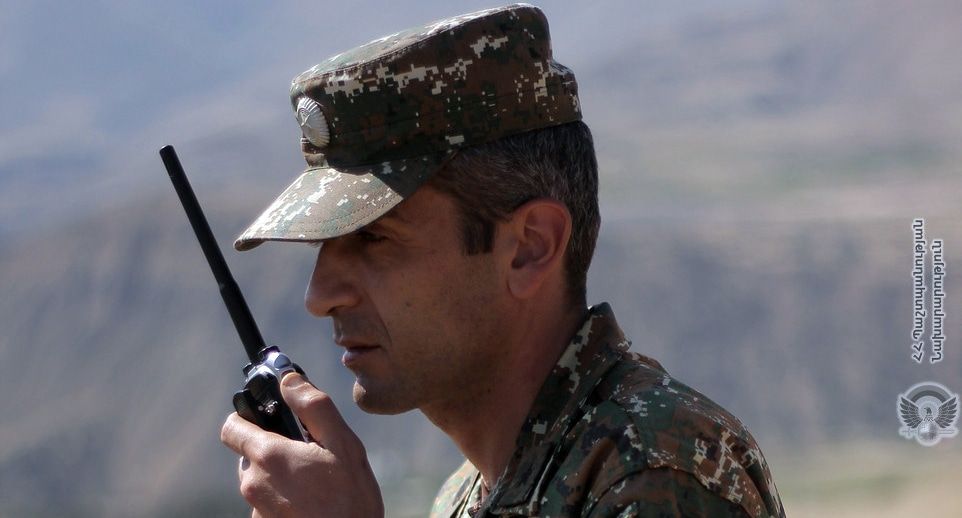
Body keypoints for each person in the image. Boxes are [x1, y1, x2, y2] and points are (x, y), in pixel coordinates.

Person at [219, 5, 786, 517]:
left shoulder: (655, 471)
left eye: (374, 238)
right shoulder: (467, 495)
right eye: (323, 246)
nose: (320, 297)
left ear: (530, 247)